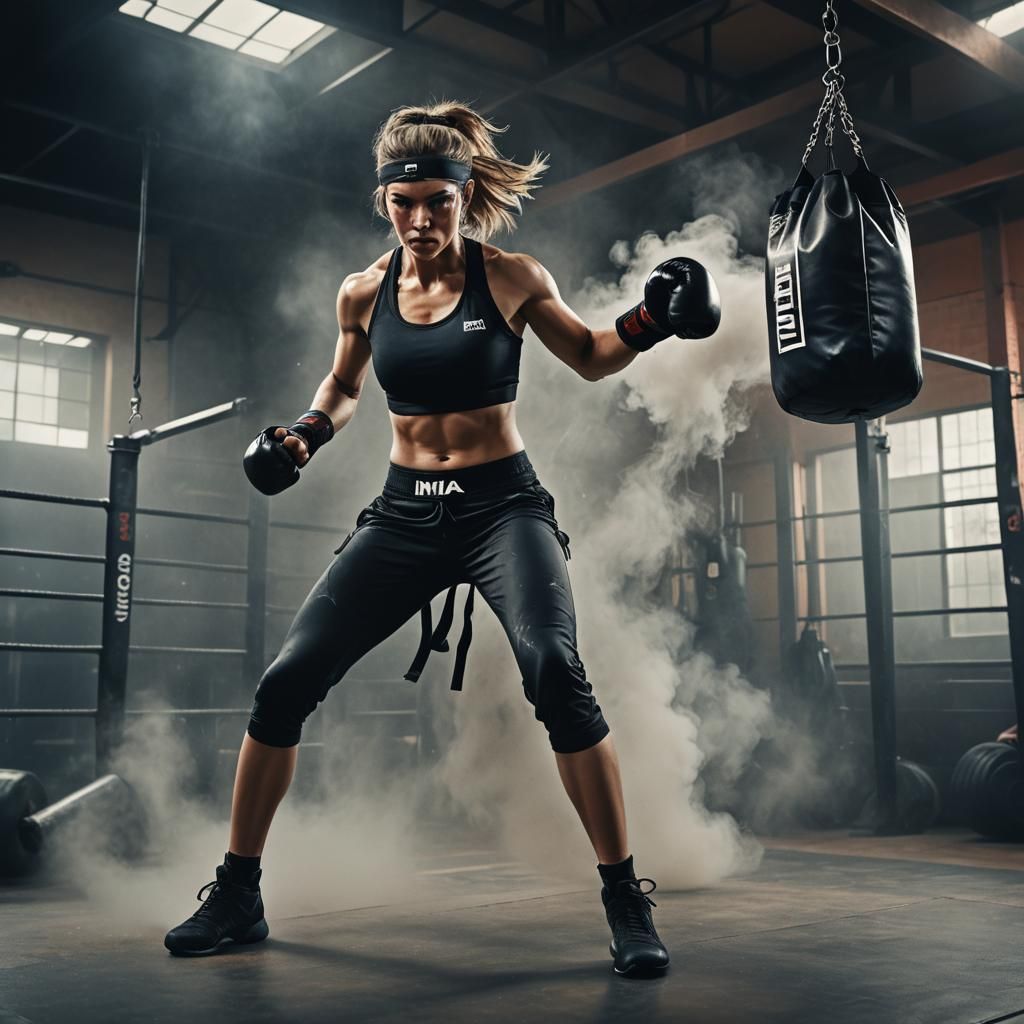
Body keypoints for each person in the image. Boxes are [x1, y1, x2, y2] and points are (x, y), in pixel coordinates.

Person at [164, 101, 720, 975]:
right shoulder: (361, 292)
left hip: (503, 509)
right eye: (403, 203)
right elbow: (344, 387)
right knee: (284, 684)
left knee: (555, 671)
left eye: (438, 203)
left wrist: (652, 322)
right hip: (402, 516)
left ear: (467, 197)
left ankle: (625, 899)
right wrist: (303, 434)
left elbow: (589, 354)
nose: (420, 221)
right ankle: (238, 892)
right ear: (383, 200)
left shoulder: (511, 277)